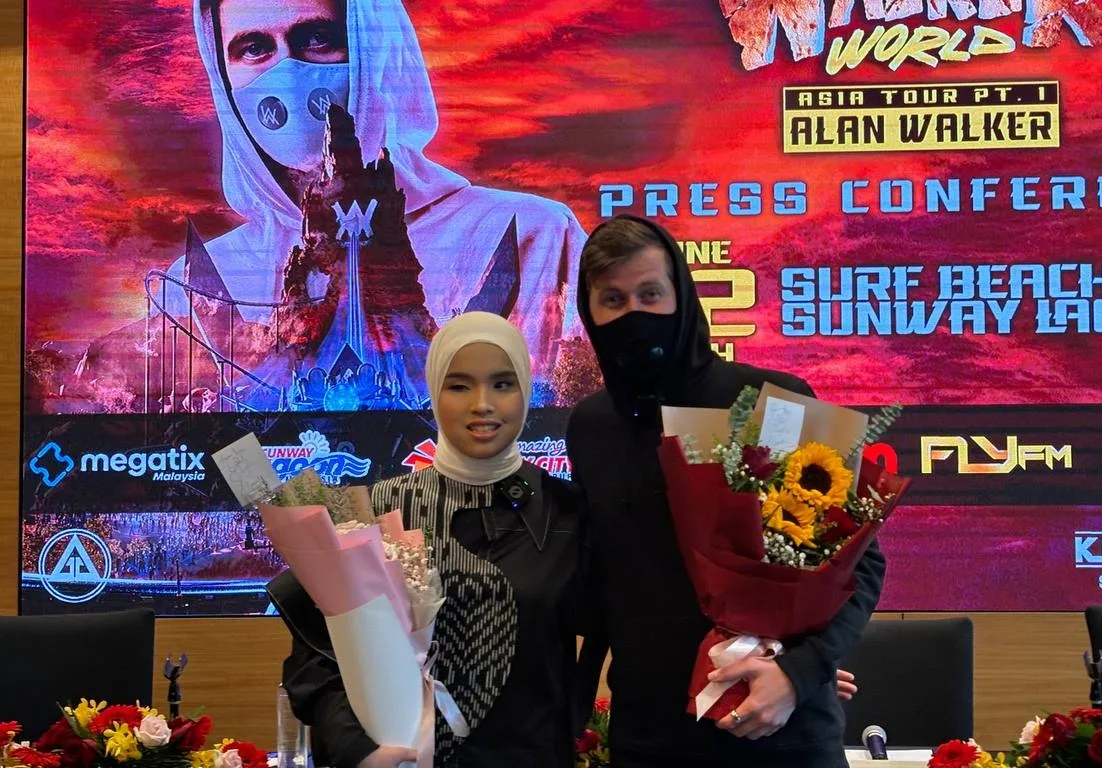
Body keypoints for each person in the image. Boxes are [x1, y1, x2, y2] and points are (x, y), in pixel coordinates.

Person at [568, 216, 885, 767]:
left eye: (650, 294)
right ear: (589, 311)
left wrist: (799, 673)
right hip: (649, 741)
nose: (633, 315)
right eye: (613, 300)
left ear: (682, 297)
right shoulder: (590, 426)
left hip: (780, 733)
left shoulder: (773, 400)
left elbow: (861, 565)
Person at [167, 0, 584, 409]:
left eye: (317, 38)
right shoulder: (195, 285)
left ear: (373, 50)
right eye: (254, 48)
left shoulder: (533, 234)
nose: (287, 74)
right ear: (223, 74)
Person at [268, 312, 588, 768]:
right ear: (434, 392)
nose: (482, 404)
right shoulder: (377, 511)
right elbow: (317, 659)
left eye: (502, 384)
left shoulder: (568, 512)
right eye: (459, 386)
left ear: (525, 390)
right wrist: (360, 752)